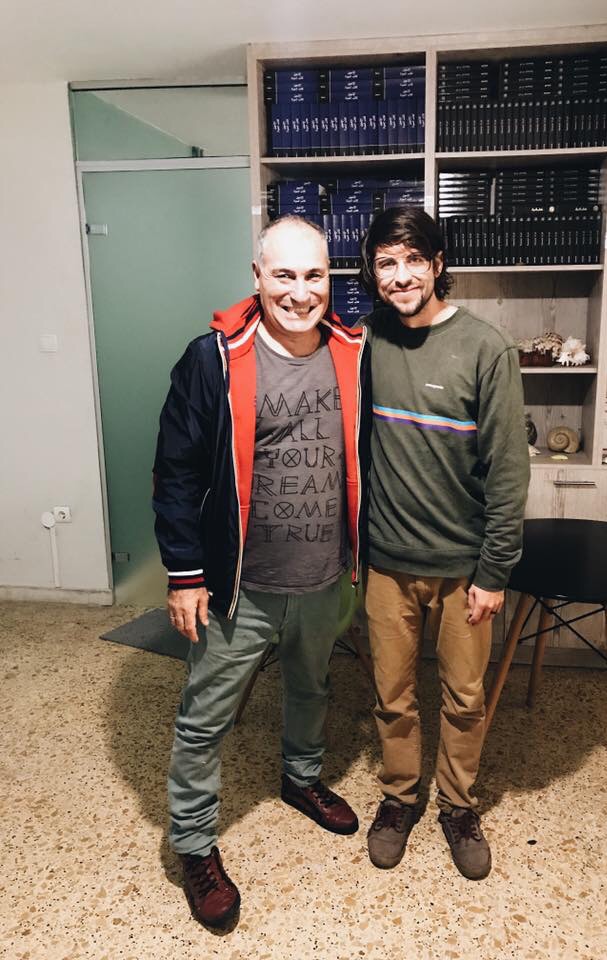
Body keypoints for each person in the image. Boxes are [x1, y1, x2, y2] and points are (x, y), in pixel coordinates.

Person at [153, 215, 368, 930]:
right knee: (205, 716)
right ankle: (193, 842)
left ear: (330, 279)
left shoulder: (353, 352)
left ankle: (301, 779)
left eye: (314, 275)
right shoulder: (213, 358)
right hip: (238, 583)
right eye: (284, 275)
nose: (300, 292)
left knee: (312, 685)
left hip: (325, 576)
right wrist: (185, 574)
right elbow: (176, 473)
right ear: (257, 276)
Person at [358, 206, 530, 881]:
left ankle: (458, 805)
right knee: (392, 692)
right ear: (372, 272)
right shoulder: (365, 341)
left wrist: (495, 571)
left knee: (464, 696)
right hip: (386, 563)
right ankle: (400, 796)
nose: (400, 276)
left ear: (437, 263)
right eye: (386, 263)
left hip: (464, 567)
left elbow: (508, 470)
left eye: (412, 260)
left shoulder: (487, 348)